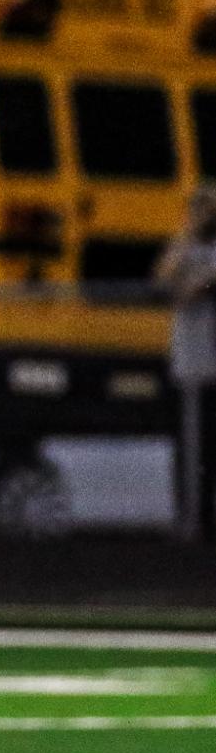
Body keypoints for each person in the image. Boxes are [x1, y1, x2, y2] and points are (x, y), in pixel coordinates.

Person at [155, 184, 216, 541]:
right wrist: (186, 235)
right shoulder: (185, 247)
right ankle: (192, 520)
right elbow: (165, 281)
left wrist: (196, 284)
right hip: (194, 366)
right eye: (202, 209)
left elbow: (195, 289)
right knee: (192, 449)